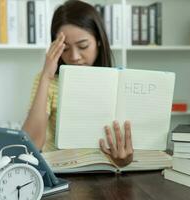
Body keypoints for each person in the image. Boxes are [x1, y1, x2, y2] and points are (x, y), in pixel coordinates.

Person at [22, 0, 133, 167]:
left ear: (98, 41)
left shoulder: (117, 81)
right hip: (61, 173)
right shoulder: (48, 81)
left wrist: (124, 160)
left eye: (83, 46)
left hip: (103, 173)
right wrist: (46, 76)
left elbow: (126, 154)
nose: (74, 57)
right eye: (65, 49)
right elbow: (31, 145)